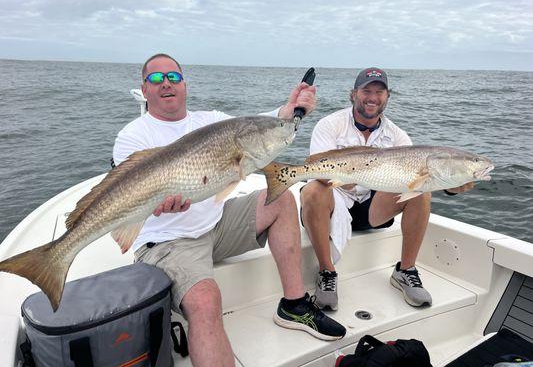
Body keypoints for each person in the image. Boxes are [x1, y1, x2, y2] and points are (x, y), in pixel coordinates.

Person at [113, 54, 346, 367]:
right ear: (144, 90)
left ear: (184, 84)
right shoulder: (133, 135)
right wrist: (158, 205)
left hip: (216, 224)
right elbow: (128, 194)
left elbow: (252, 127)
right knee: (207, 301)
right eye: (156, 79)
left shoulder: (209, 120)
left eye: (174, 77)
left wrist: (287, 112)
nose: (166, 83)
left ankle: (294, 305)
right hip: (170, 241)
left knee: (281, 198)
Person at [300, 67, 474, 311]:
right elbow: (317, 168)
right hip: (332, 204)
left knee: (421, 190)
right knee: (311, 190)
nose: (372, 97)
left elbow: (414, 182)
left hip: (373, 209)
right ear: (353, 94)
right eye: (366, 91)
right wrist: (345, 176)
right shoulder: (330, 125)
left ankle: (405, 270)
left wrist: (451, 186)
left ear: (387, 97)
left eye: (379, 92)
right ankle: (327, 273)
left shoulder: (399, 137)